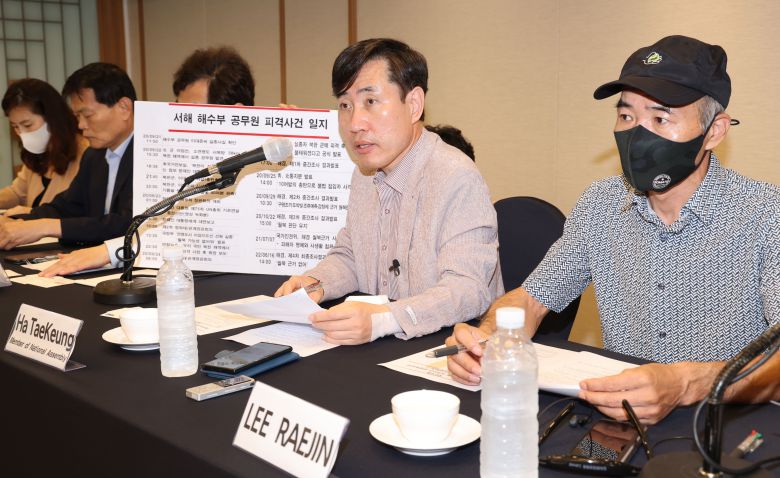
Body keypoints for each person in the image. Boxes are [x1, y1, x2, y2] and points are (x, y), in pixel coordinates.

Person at [447, 35, 780, 424]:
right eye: (626, 117)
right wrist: (491, 337)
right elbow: (534, 298)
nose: (638, 135)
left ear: (715, 131)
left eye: (660, 119)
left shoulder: (766, 214)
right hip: (616, 421)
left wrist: (689, 383)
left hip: (728, 426)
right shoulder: (601, 203)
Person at [274, 38, 502, 345]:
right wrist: (316, 282)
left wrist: (383, 319)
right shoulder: (364, 173)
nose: (355, 123)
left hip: (448, 347)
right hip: (382, 345)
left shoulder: (456, 176)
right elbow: (353, 256)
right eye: (345, 105)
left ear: (414, 104)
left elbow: (468, 289)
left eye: (370, 102)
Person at [40, 47, 256, 276]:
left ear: (235, 114)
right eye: (178, 110)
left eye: (191, 113)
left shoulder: (267, 164)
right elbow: (158, 225)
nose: (180, 121)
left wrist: (108, 252)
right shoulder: (176, 157)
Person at [0, 63, 136, 249]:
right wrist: (16, 221)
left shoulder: (151, 153)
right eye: (77, 116)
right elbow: (67, 207)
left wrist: (45, 227)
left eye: (87, 115)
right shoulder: (94, 155)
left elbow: (128, 223)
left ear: (124, 108)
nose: (81, 125)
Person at [0, 79, 88, 216]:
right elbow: (17, 193)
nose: (22, 133)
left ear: (52, 117)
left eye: (27, 125)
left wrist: (32, 213)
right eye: (15, 127)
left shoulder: (86, 152)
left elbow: (78, 211)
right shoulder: (36, 153)